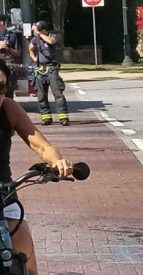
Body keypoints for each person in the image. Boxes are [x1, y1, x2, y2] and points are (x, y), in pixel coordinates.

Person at [0, 59, 73, 275]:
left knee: (25, 259)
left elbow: (41, 146)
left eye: (2, 86)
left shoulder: (9, 109)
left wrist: (57, 161)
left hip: (3, 198)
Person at [28, 21, 69, 126]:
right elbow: (30, 49)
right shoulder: (35, 39)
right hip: (40, 70)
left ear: (44, 30)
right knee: (41, 95)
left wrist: (39, 34)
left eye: (39, 30)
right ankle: (46, 117)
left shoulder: (52, 36)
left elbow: (51, 41)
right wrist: (34, 58)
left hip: (52, 69)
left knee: (58, 93)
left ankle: (63, 117)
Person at [0, 14, 21, 99]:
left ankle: (7, 110)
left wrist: (9, 49)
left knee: (8, 92)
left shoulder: (12, 35)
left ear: (1, 22)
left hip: (8, 67)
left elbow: (18, 53)